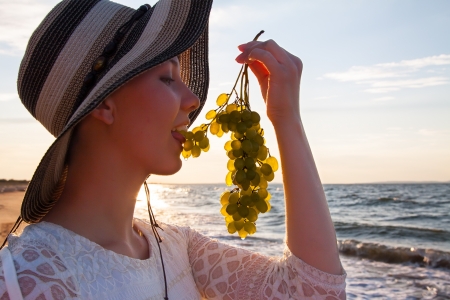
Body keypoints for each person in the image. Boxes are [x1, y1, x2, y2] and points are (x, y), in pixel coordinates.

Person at [0, 0, 346, 299]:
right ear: (104, 102)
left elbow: (310, 291)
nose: (193, 101)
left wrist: (286, 119)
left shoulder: (175, 247)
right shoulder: (25, 281)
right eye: (167, 78)